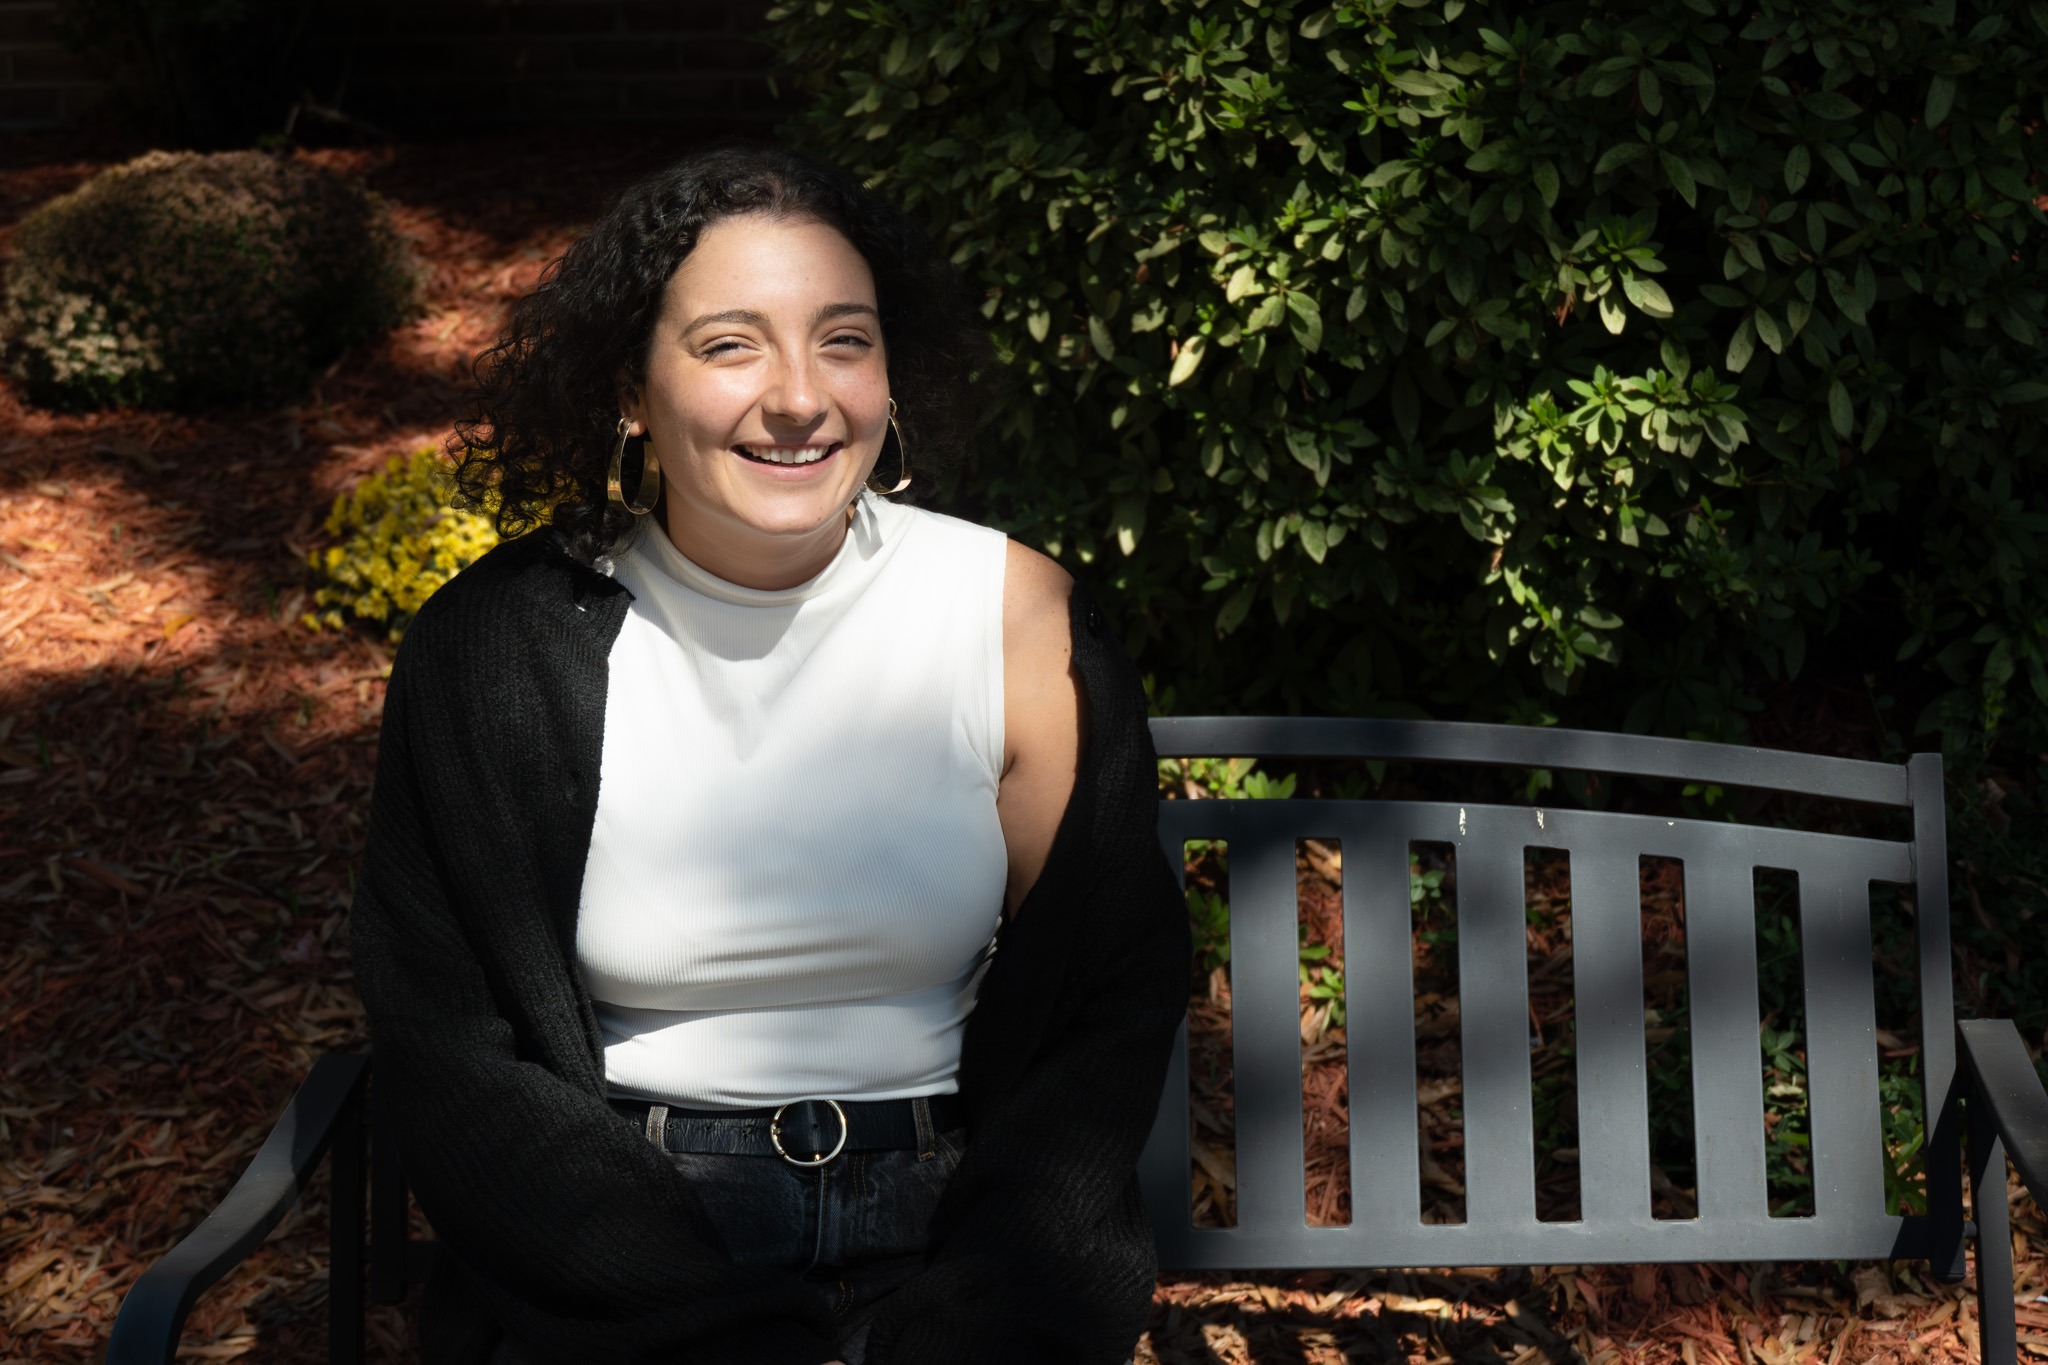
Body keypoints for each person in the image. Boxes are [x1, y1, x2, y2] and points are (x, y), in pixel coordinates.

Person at [348, 145, 1191, 1365]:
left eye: (842, 340)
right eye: (728, 344)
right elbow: (450, 1053)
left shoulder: (1010, 615)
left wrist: (975, 1316)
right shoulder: (492, 649)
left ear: (889, 377)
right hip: (625, 1260)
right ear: (630, 388)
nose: (798, 396)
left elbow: (1106, 998)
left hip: (956, 1243)